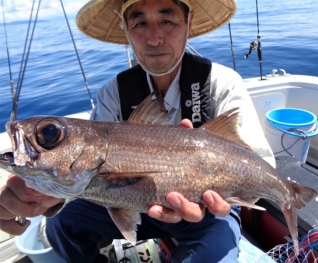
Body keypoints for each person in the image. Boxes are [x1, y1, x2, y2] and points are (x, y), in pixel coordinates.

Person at [0, 0, 275, 262]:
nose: (154, 38)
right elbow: (86, 178)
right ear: (126, 28)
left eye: (167, 20)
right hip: (129, 203)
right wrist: (39, 200)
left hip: (205, 214)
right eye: (140, 23)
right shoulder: (112, 93)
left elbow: (259, 166)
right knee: (60, 224)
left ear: (188, 22)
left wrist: (221, 194)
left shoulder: (222, 83)